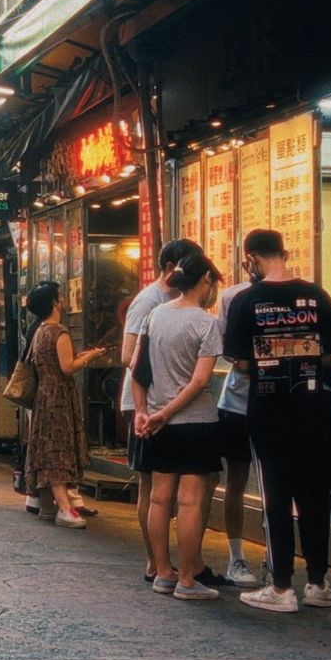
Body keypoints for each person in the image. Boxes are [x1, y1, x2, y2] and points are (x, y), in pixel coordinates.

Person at [224, 230, 331, 613]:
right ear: (285, 253)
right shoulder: (316, 295)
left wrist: (271, 359)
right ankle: (318, 582)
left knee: (275, 497)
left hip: (267, 409)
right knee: (313, 496)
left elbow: (242, 364)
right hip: (311, 407)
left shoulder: (246, 301)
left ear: (251, 259)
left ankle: (280, 587)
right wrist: (305, 358)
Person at [132, 251, 225, 600]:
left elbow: (138, 370)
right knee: (189, 503)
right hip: (195, 423)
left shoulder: (155, 315)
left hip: (158, 422)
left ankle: (163, 572)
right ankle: (187, 579)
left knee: (159, 499)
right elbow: (200, 382)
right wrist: (166, 413)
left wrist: (146, 413)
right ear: (205, 281)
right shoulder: (207, 323)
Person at [116, 238, 201, 574]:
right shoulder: (149, 301)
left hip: (167, 403)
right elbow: (128, 356)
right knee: (152, 486)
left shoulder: (179, 302)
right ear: (169, 268)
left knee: (167, 487)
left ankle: (175, 563)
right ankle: (155, 561)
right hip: (144, 403)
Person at [24, 281, 107, 528]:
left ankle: (48, 506)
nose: (63, 300)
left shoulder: (39, 331)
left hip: (44, 396)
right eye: (60, 296)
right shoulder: (58, 331)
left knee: (47, 448)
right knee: (58, 450)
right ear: (54, 302)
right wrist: (90, 356)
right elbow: (67, 367)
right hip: (58, 398)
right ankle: (65, 508)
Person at [213, 272, 263, 589]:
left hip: (278, 403)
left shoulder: (294, 295)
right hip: (237, 401)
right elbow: (224, 345)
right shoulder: (233, 295)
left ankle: (276, 560)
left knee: (276, 480)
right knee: (237, 478)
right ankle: (236, 557)